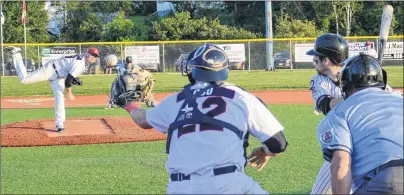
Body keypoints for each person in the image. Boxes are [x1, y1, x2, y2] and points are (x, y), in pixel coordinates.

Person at [116, 43, 288, 194]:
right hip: (226, 184)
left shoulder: (177, 99)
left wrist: (129, 104)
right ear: (225, 70)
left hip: (180, 187)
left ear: (193, 71)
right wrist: (266, 152)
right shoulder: (243, 98)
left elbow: (143, 120)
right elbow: (278, 143)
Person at [316, 53, 403, 194]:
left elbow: (341, 165)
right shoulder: (400, 100)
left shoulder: (340, 111)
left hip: (382, 181)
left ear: (345, 83)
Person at [5, 46, 99, 132]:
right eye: (92, 54)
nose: (93, 57)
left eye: (95, 56)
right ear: (87, 53)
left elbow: (69, 72)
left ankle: (59, 124)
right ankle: (16, 53)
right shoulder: (80, 63)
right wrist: (70, 93)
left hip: (59, 77)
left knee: (60, 98)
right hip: (50, 70)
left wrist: (73, 79)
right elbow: (68, 81)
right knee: (25, 79)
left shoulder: (83, 60)